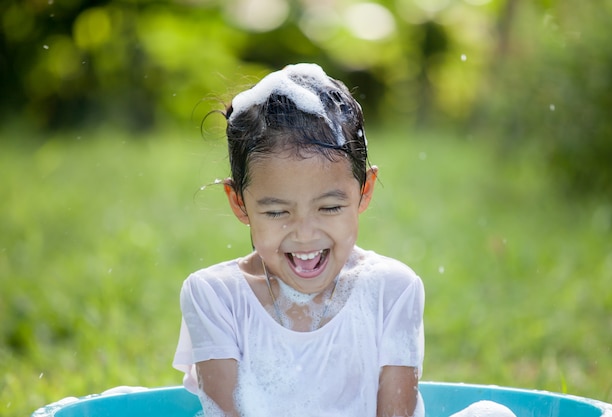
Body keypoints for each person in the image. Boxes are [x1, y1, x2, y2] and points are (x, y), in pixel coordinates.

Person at [173, 63, 515, 417]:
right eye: (277, 212)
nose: (304, 234)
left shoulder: (391, 291)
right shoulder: (216, 296)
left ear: (364, 191)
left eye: (330, 207)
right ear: (239, 202)